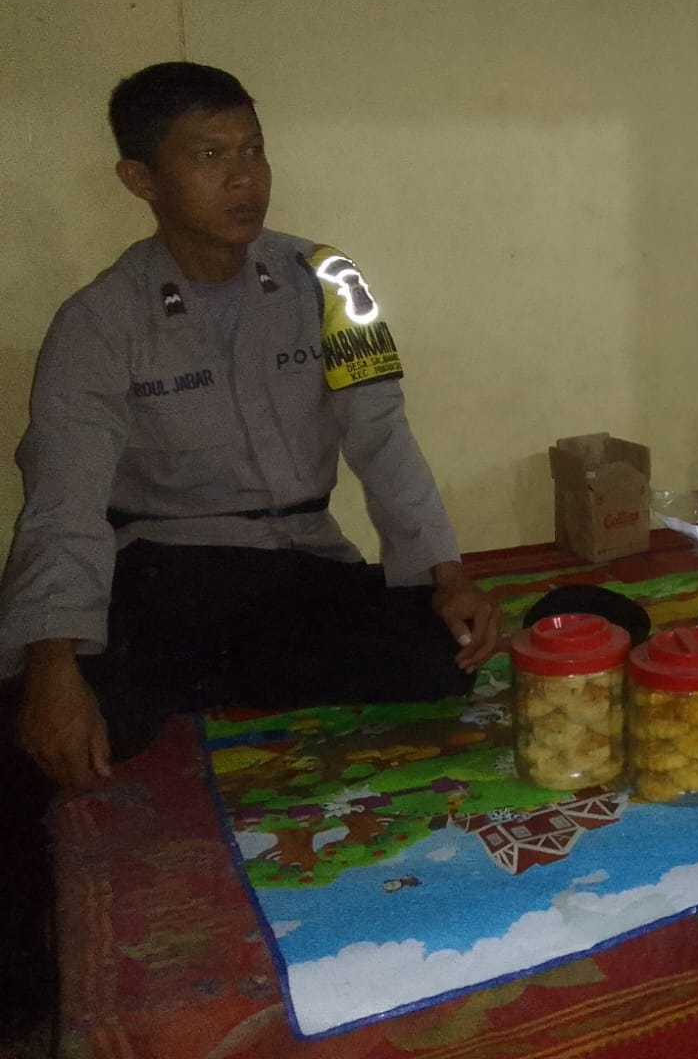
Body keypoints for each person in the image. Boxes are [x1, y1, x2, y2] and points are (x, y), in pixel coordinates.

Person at [1, 61, 500, 794]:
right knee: (60, 723)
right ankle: (196, 671)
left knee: (445, 654)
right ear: (140, 180)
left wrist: (447, 576)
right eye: (209, 155)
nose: (244, 178)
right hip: (172, 571)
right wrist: (51, 663)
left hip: (300, 563)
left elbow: (383, 435)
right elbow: (63, 497)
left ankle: (212, 675)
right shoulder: (97, 322)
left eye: (253, 150)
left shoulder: (331, 280)